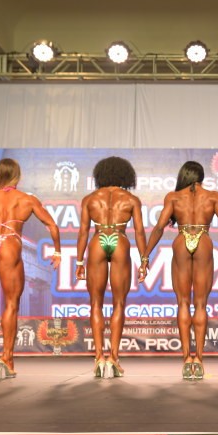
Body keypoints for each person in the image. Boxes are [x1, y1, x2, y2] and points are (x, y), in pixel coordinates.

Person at [140, 161, 218, 379]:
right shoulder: (213, 197)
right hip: (203, 240)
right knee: (201, 304)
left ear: (184, 176)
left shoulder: (173, 197)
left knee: (183, 303)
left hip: (181, 239)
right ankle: (199, 361)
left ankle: (186, 359)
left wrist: (145, 257)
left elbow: (158, 228)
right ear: (201, 176)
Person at [0, 158, 61, 378]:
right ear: (17, 176)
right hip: (10, 244)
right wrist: (57, 251)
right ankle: (7, 358)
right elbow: (52, 225)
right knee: (11, 305)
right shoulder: (26, 199)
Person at [75, 156, 146, 379]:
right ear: (125, 175)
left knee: (95, 303)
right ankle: (114, 358)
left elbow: (83, 232)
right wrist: (144, 260)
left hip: (98, 240)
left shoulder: (90, 199)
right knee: (119, 303)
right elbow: (139, 232)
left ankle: (99, 358)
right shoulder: (131, 199)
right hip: (119, 239)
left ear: (101, 175)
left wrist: (79, 262)